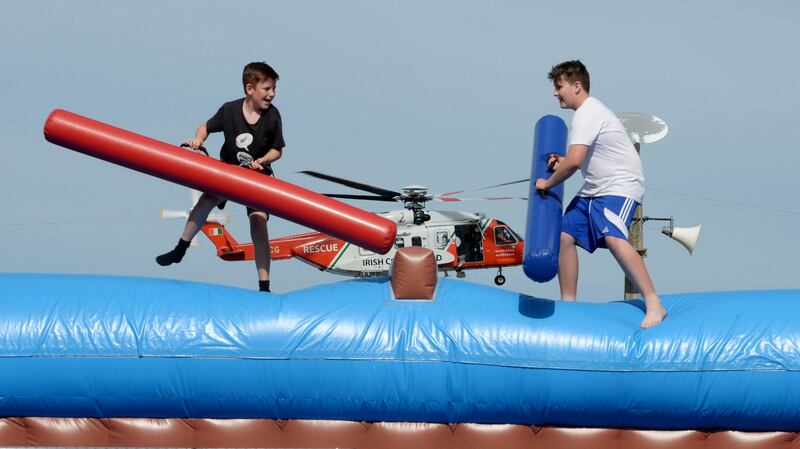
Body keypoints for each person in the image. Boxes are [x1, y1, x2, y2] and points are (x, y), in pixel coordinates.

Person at [534, 60, 667, 328]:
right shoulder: (585, 115)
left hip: (620, 185)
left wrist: (548, 184)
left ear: (577, 86)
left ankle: (654, 304)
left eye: (559, 86)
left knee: (615, 239)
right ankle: (567, 304)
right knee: (563, 236)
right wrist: (562, 160)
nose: (555, 93)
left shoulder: (587, 113)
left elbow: (575, 161)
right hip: (595, 188)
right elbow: (579, 158)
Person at [156, 62, 285, 293]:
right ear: (249, 89)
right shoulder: (230, 110)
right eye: (267, 89)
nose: (272, 94)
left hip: (257, 178)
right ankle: (180, 249)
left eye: (274, 88)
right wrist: (198, 140)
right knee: (204, 202)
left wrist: (263, 160)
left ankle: (264, 286)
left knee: (258, 224)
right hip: (229, 172)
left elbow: (278, 150)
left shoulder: (273, 116)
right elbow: (204, 127)